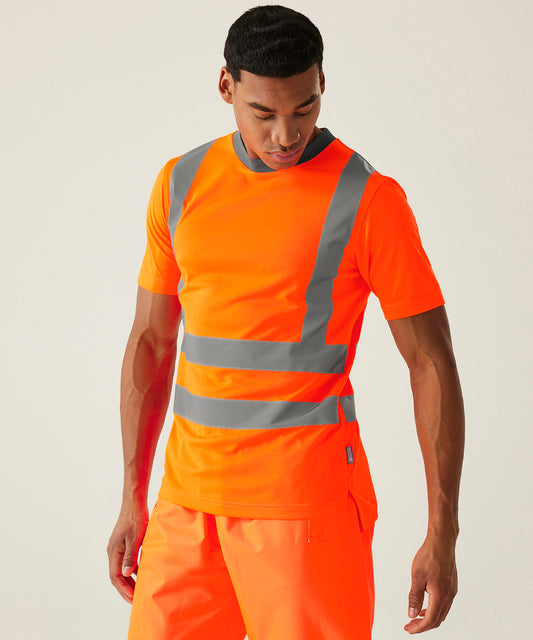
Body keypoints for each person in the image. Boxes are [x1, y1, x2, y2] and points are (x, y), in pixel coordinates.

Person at [107, 5, 465, 639]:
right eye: (263, 113)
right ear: (227, 86)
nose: (285, 135)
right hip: (186, 506)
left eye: (304, 108)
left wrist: (443, 532)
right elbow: (152, 341)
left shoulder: (369, 199)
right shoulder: (181, 182)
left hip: (306, 511)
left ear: (322, 82)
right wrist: (133, 496)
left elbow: (430, 361)